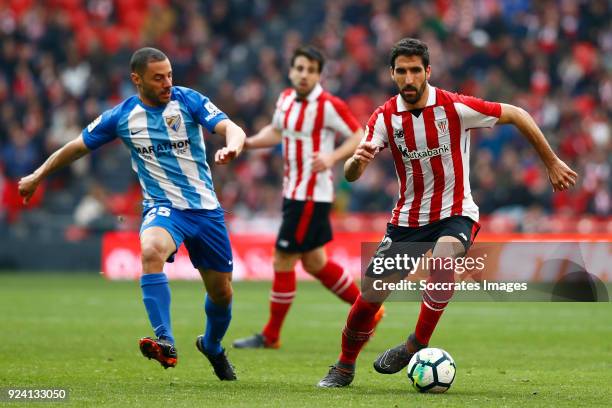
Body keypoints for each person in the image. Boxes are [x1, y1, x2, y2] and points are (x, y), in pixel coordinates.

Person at [317, 38, 577, 387]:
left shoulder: (454, 107)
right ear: (392, 74)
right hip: (407, 221)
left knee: (443, 264)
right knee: (370, 298)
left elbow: (517, 113)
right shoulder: (384, 118)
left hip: (456, 213)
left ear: (427, 71)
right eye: (401, 71)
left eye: (414, 71)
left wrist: (552, 161)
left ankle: (416, 344)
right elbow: (351, 173)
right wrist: (354, 163)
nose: (408, 78)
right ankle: (344, 366)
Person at [18, 47, 246, 381]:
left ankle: (211, 346)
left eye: (169, 75)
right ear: (136, 80)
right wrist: (38, 175)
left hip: (206, 210)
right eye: (158, 78)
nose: (168, 82)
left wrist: (233, 146)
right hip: (164, 209)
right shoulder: (121, 116)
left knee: (222, 293)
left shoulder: (189, 100)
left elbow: (232, 127)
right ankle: (165, 340)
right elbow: (76, 147)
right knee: (150, 249)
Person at [233, 46, 384, 349]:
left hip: (311, 194)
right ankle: (372, 310)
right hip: (294, 192)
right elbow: (276, 132)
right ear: (291, 71)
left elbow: (358, 135)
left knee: (283, 258)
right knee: (315, 262)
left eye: (311, 70)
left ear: (318, 74)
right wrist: (246, 144)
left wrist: (332, 157)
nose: (304, 74)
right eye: (299, 68)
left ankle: (271, 335)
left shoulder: (329, 105)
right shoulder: (286, 99)